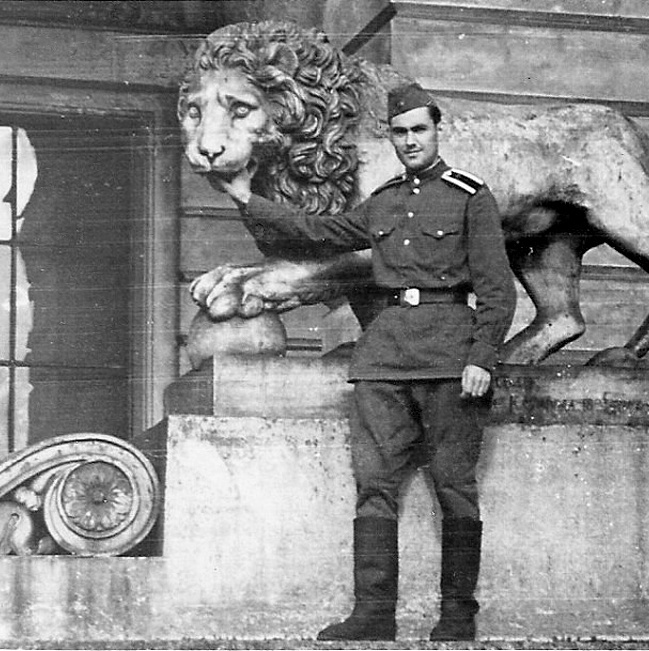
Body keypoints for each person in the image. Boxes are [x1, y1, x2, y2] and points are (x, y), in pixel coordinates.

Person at [204, 82, 516, 642]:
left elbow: (497, 288)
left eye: (420, 129)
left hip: (450, 357)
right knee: (374, 485)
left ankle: (457, 615)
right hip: (383, 359)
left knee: (453, 484)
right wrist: (246, 199)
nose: (410, 140)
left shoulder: (471, 197)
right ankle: (373, 613)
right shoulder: (384, 200)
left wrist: (483, 358)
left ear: (436, 131)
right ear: (391, 137)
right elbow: (318, 232)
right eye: (400, 132)